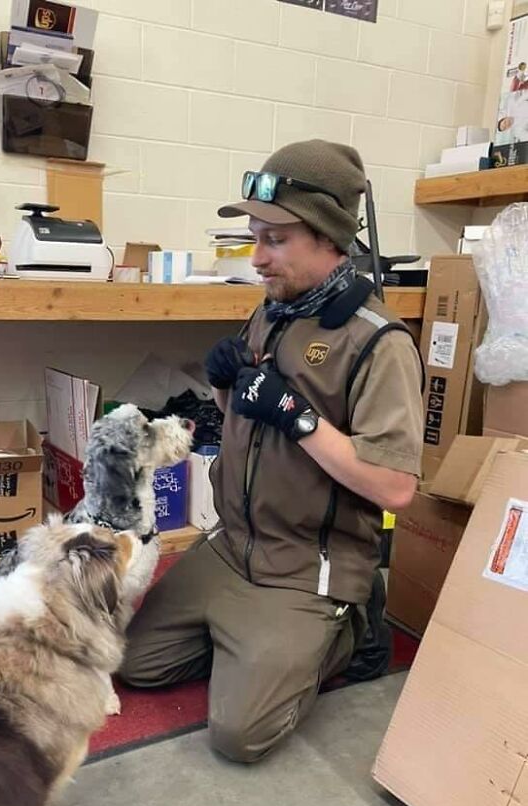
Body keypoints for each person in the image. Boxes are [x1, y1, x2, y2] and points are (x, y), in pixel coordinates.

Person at [120, 139, 424, 763]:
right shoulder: (273, 311)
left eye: (276, 240)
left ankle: (351, 628)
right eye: (254, 236)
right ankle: (252, 642)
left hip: (305, 567)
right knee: (131, 662)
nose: (257, 258)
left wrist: (299, 415)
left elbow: (396, 489)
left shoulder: (379, 343)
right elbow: (246, 425)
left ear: (330, 236)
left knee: (239, 735)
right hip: (234, 545)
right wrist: (228, 388)